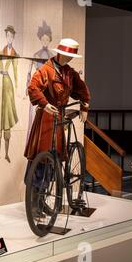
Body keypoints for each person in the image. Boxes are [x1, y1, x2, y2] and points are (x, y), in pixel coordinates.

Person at [24, 38, 90, 167]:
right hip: (46, 117)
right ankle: (39, 184)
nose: (70, 59)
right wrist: (44, 103)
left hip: (60, 114)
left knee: (56, 153)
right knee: (43, 151)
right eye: (68, 55)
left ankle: (56, 179)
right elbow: (33, 87)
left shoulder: (69, 72)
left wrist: (84, 105)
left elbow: (82, 89)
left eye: (71, 56)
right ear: (61, 53)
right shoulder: (46, 70)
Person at [0, 25, 19, 163]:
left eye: (11, 36)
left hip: (8, 85)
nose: (9, 38)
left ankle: (6, 153)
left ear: (13, 37)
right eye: (8, 35)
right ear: (5, 36)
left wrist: (18, 88)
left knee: (6, 117)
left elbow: (16, 71)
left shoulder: (15, 54)